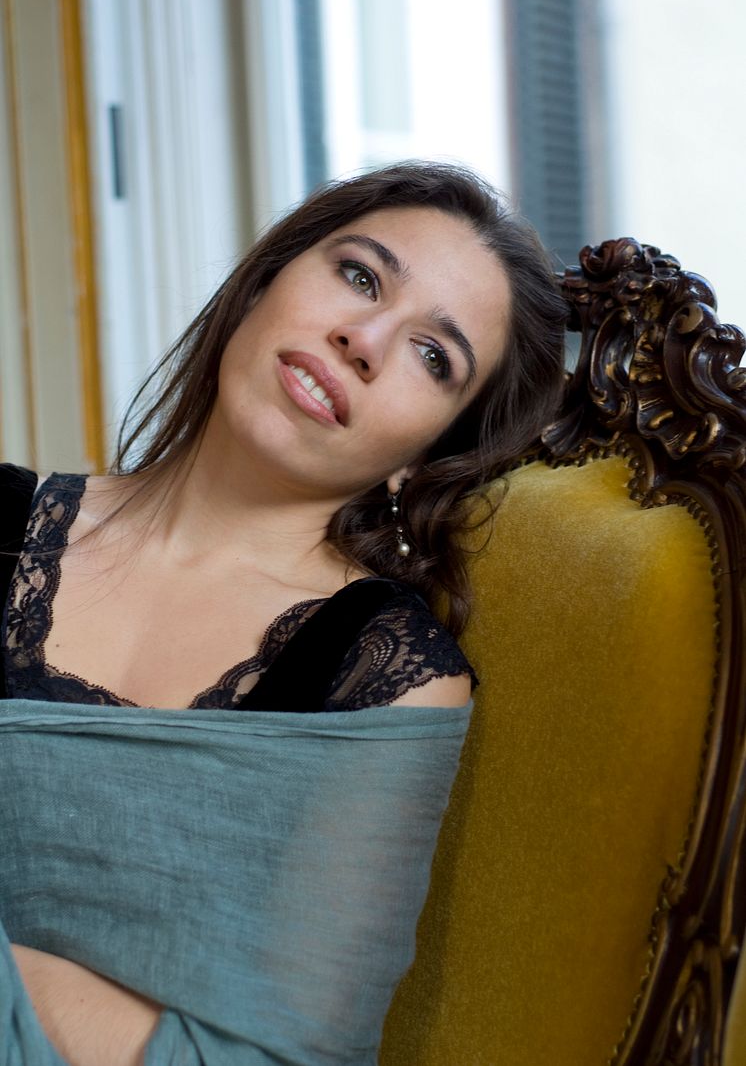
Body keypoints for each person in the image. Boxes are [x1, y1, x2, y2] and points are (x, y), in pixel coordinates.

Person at [0, 161, 567, 1065]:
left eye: (434, 356)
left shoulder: (389, 680)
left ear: (427, 457)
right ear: (265, 280)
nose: (365, 339)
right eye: (359, 275)